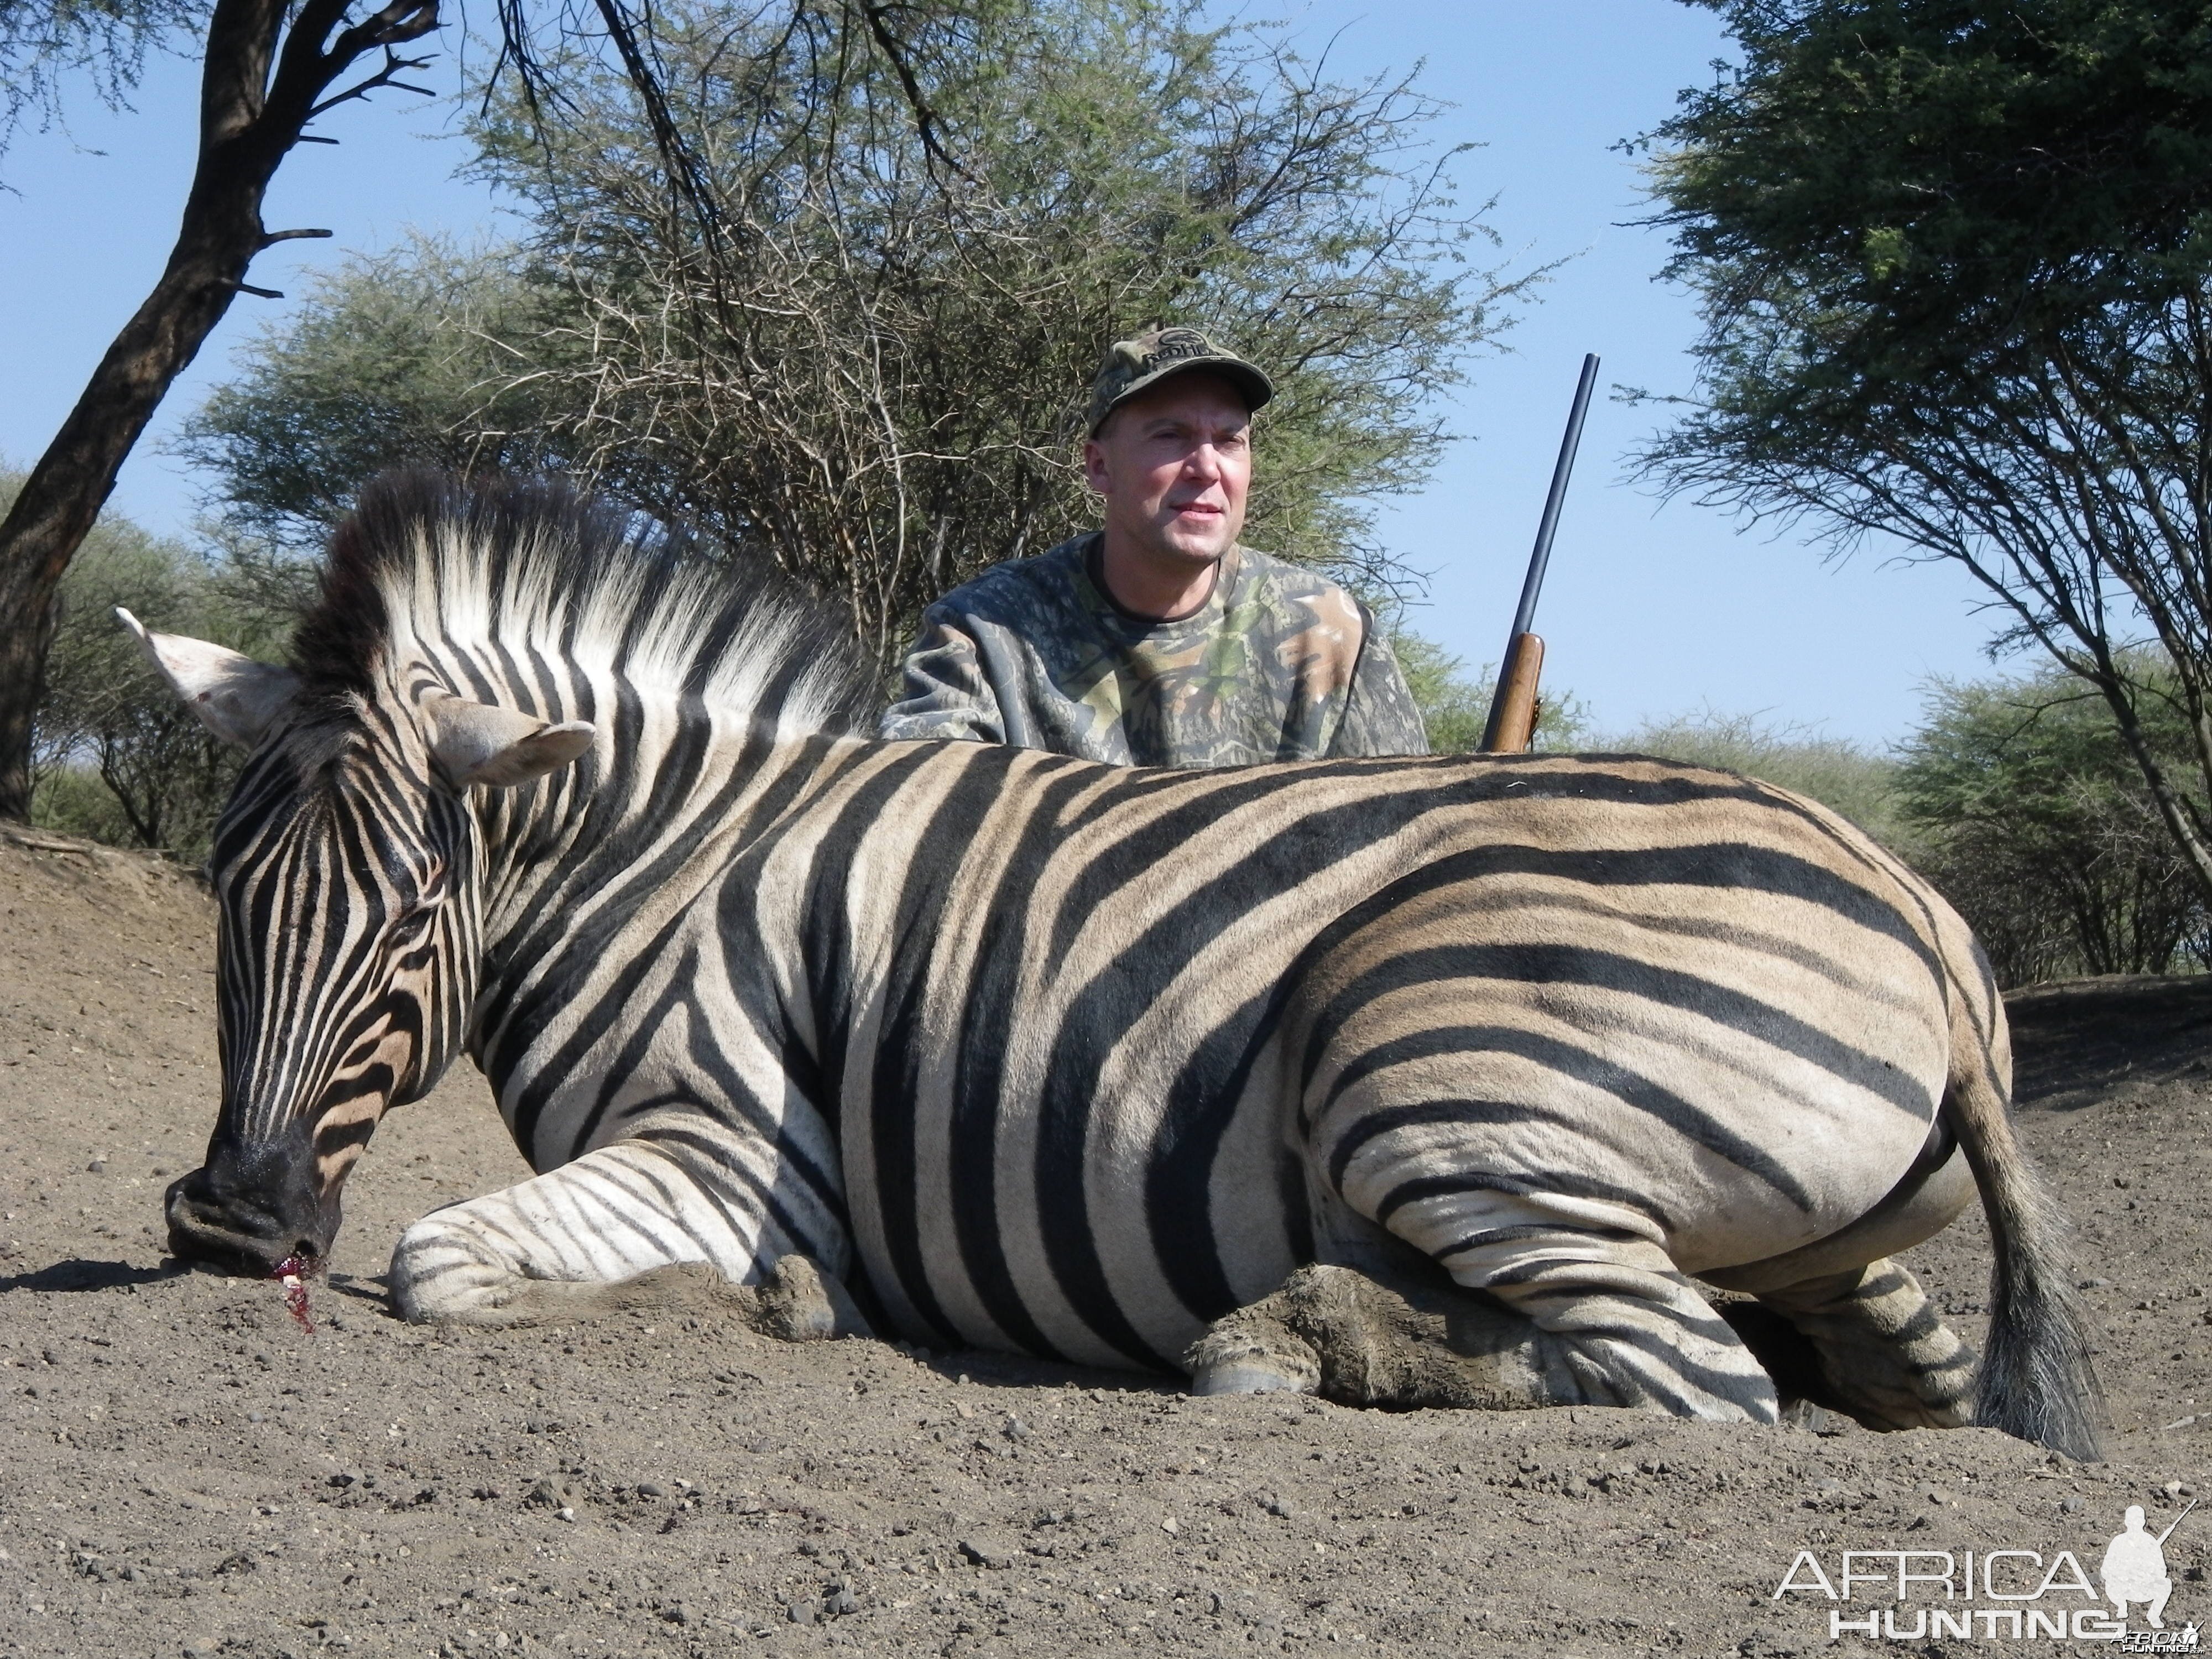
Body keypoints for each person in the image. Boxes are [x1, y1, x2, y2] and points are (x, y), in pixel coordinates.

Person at [878, 326, 1429, 766]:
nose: (1207, 468)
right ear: (1099, 465)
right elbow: (921, 816)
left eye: (1229, 441)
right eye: (1170, 437)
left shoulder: (1332, 633)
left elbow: (1408, 840)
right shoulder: (983, 632)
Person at [2101, 1505, 2177, 1628]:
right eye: (2131, 1520)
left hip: (2143, 1587)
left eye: (2137, 1520)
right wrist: (2123, 1573)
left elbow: (2162, 1570)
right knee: (2111, 1583)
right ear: (2126, 1522)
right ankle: (2121, 1606)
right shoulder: (2118, 1541)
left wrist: (2147, 1573)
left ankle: (2154, 1615)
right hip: (2122, 1587)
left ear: (2143, 1522)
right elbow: (2106, 1569)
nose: (2134, 1524)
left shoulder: (2151, 1542)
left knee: (2166, 1584)